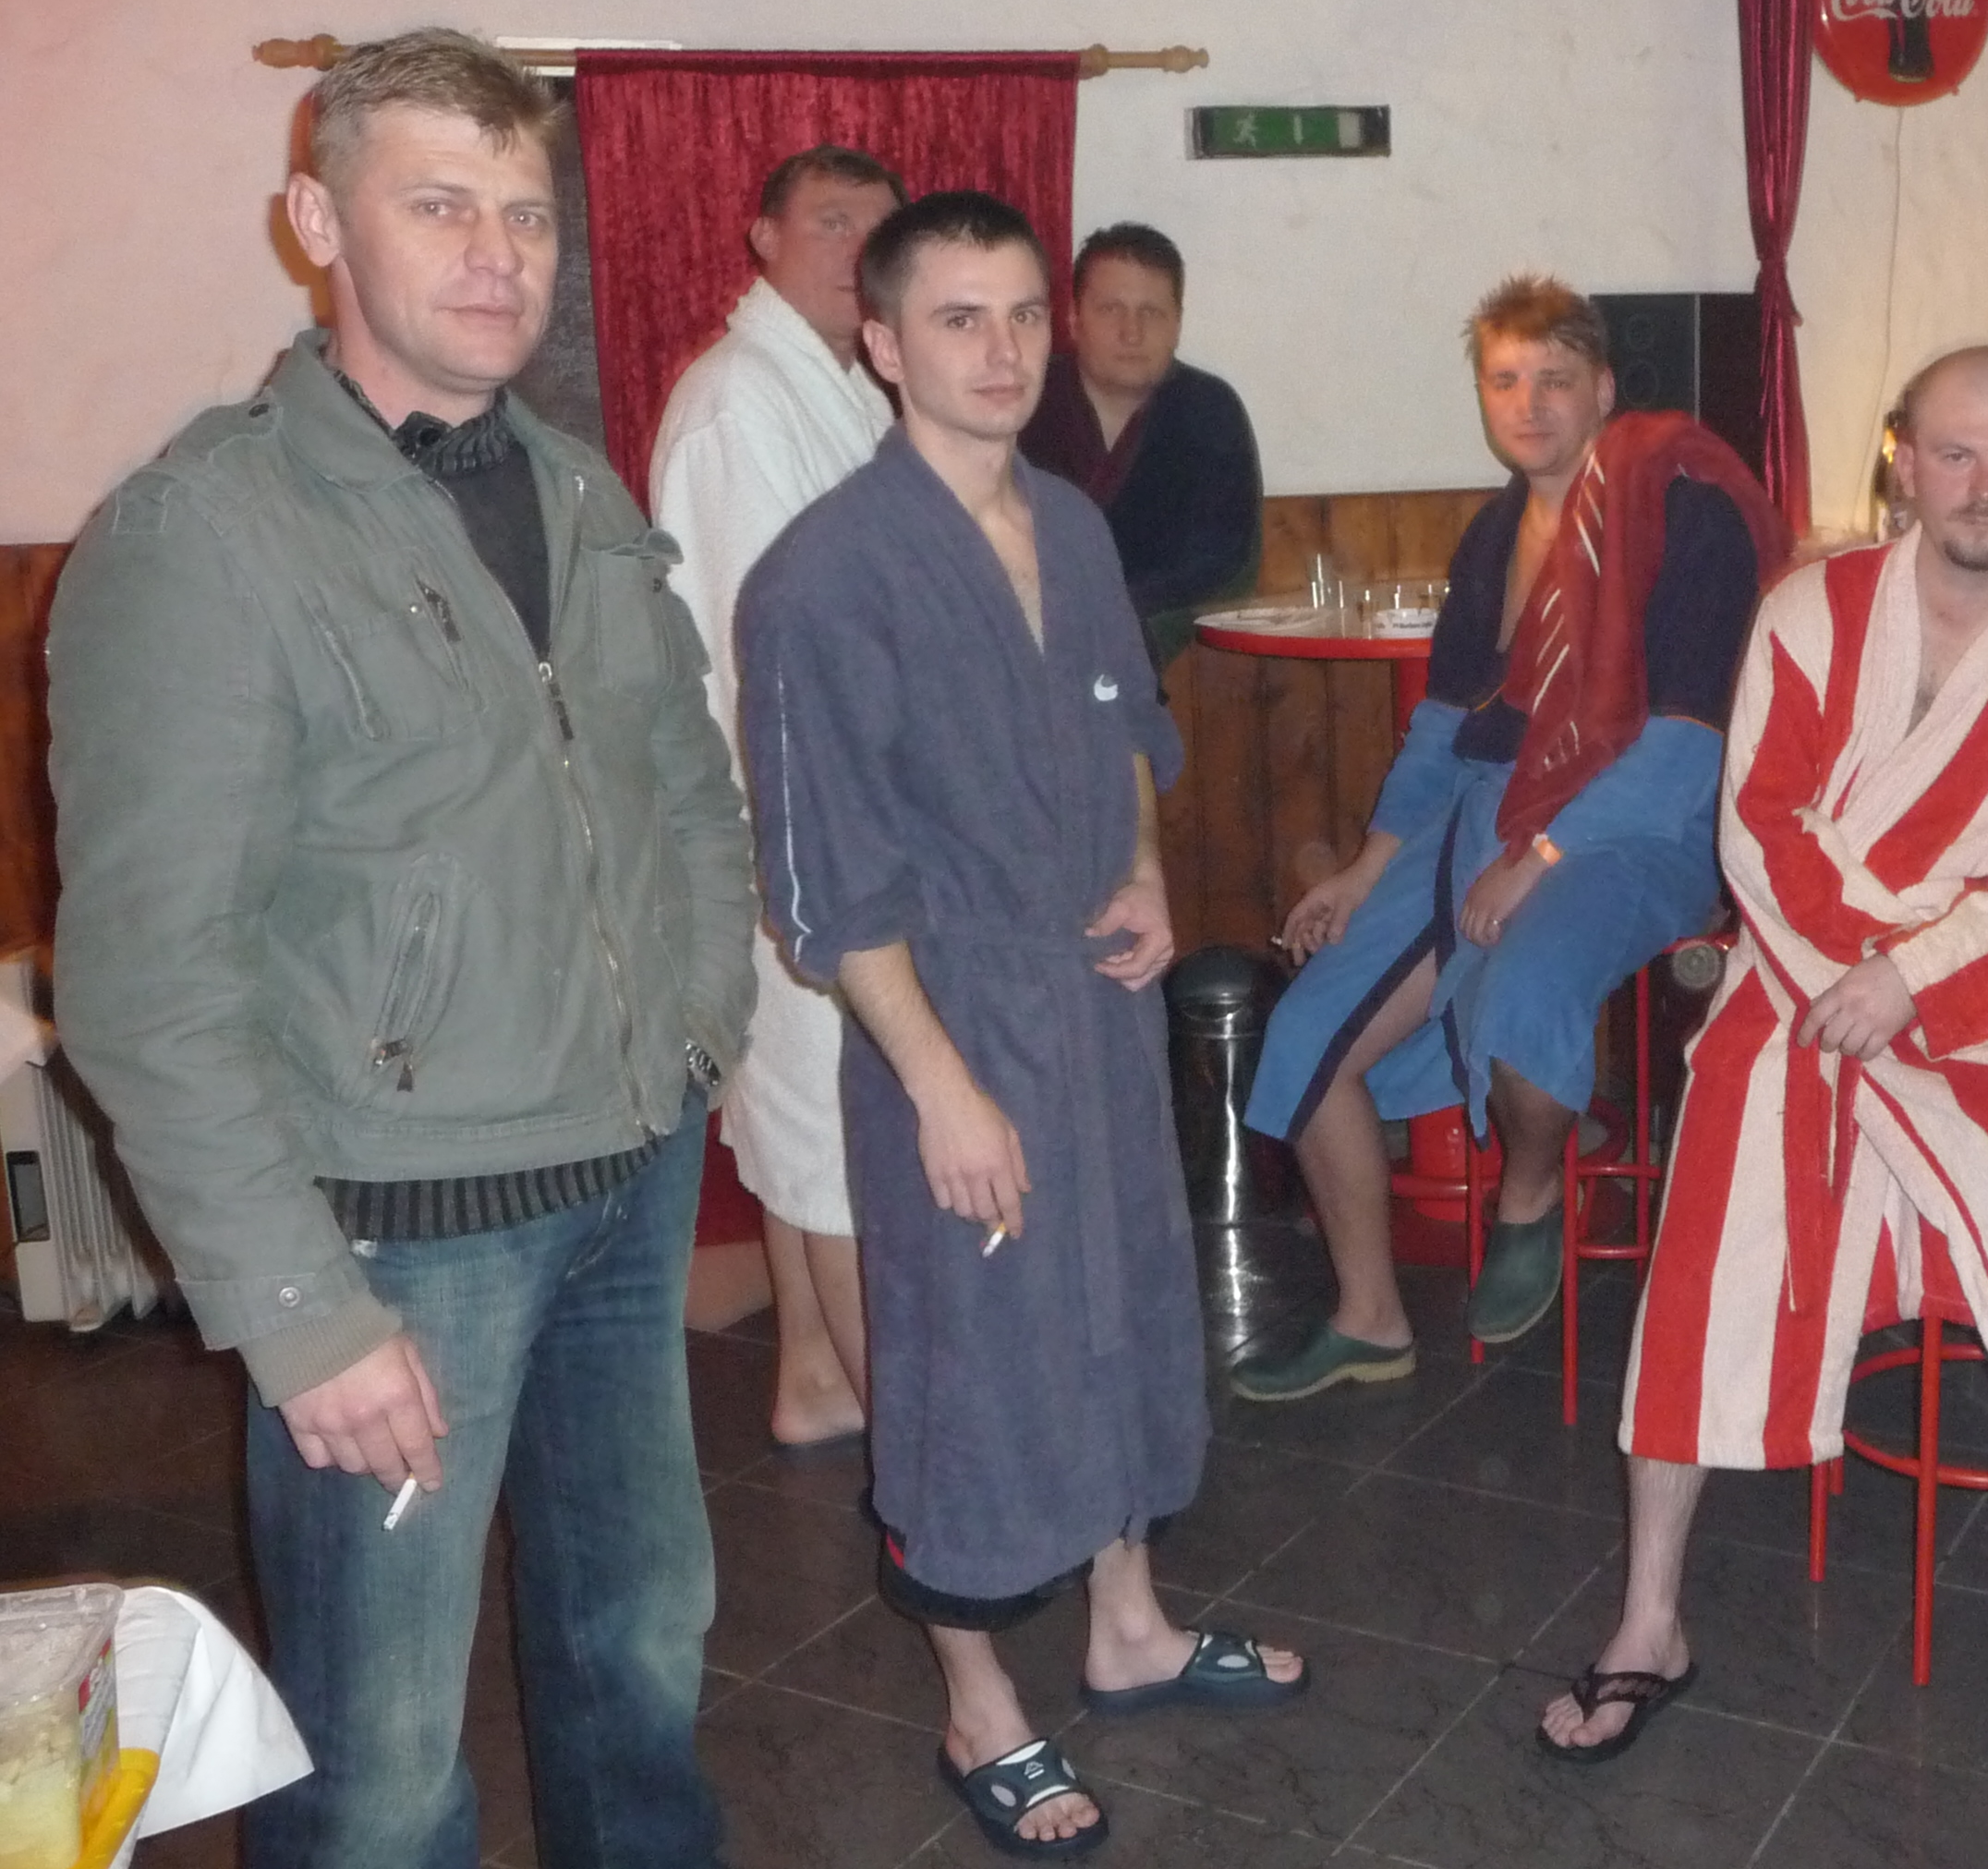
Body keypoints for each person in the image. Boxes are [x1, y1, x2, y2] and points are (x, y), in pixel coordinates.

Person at [48, 29, 753, 1868]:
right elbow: (144, 982)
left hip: (623, 1178)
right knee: (376, 1765)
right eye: (439, 205)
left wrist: (698, 1025)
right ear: (316, 222)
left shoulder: (582, 494)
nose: (497, 254)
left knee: (639, 1651)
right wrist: (299, 1312)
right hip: (396, 1234)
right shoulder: (202, 533)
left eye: (526, 212)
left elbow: (683, 787)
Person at [1538, 346, 1988, 1760]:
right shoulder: (1809, 615)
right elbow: (1762, 827)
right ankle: (1650, 1611)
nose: (1984, 485)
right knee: (1734, 1132)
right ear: (1905, 462)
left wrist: (1912, 981)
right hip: (1799, 974)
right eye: (1956, 453)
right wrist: (1853, 981)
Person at [735, 190, 1306, 1859]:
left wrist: (1145, 866)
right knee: (966, 1363)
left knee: (1124, 1308)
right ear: (880, 342)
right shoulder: (823, 576)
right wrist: (939, 1088)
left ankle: (1127, 1627)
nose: (999, 352)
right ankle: (977, 1702)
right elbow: (828, 885)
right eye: (955, 320)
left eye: (1020, 317)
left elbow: (1124, 719)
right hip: (953, 1015)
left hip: (1093, 1001)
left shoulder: (1068, 522)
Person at [1227, 274, 1788, 1400]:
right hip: (1483, 816)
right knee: (1305, 1033)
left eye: (1555, 380)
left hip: (1645, 823)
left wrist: (1539, 858)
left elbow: (1687, 744)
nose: (1529, 404)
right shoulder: (1494, 534)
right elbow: (1445, 724)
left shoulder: (1683, 508)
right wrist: (1368, 866)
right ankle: (1370, 1318)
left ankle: (1531, 1190)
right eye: (1505, 380)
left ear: (1604, 389)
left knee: (1525, 990)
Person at [651, 141, 904, 1448]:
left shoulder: (845, 388)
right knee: (837, 1135)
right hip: (793, 816)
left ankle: (815, 1374)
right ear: (762, 237)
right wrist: (815, 844)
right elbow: (770, 651)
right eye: (829, 221)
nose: (854, 249)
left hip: (836, 808)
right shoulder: (739, 402)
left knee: (811, 1118)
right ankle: (911, 1439)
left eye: (875, 228)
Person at [1023, 221, 1263, 667]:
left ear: (1177, 324)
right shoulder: (1024, 403)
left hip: (1156, 648)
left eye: (1151, 312)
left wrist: (1112, 614)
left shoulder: (1208, 409)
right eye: (1111, 309)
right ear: (1073, 318)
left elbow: (1220, 558)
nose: (1131, 332)